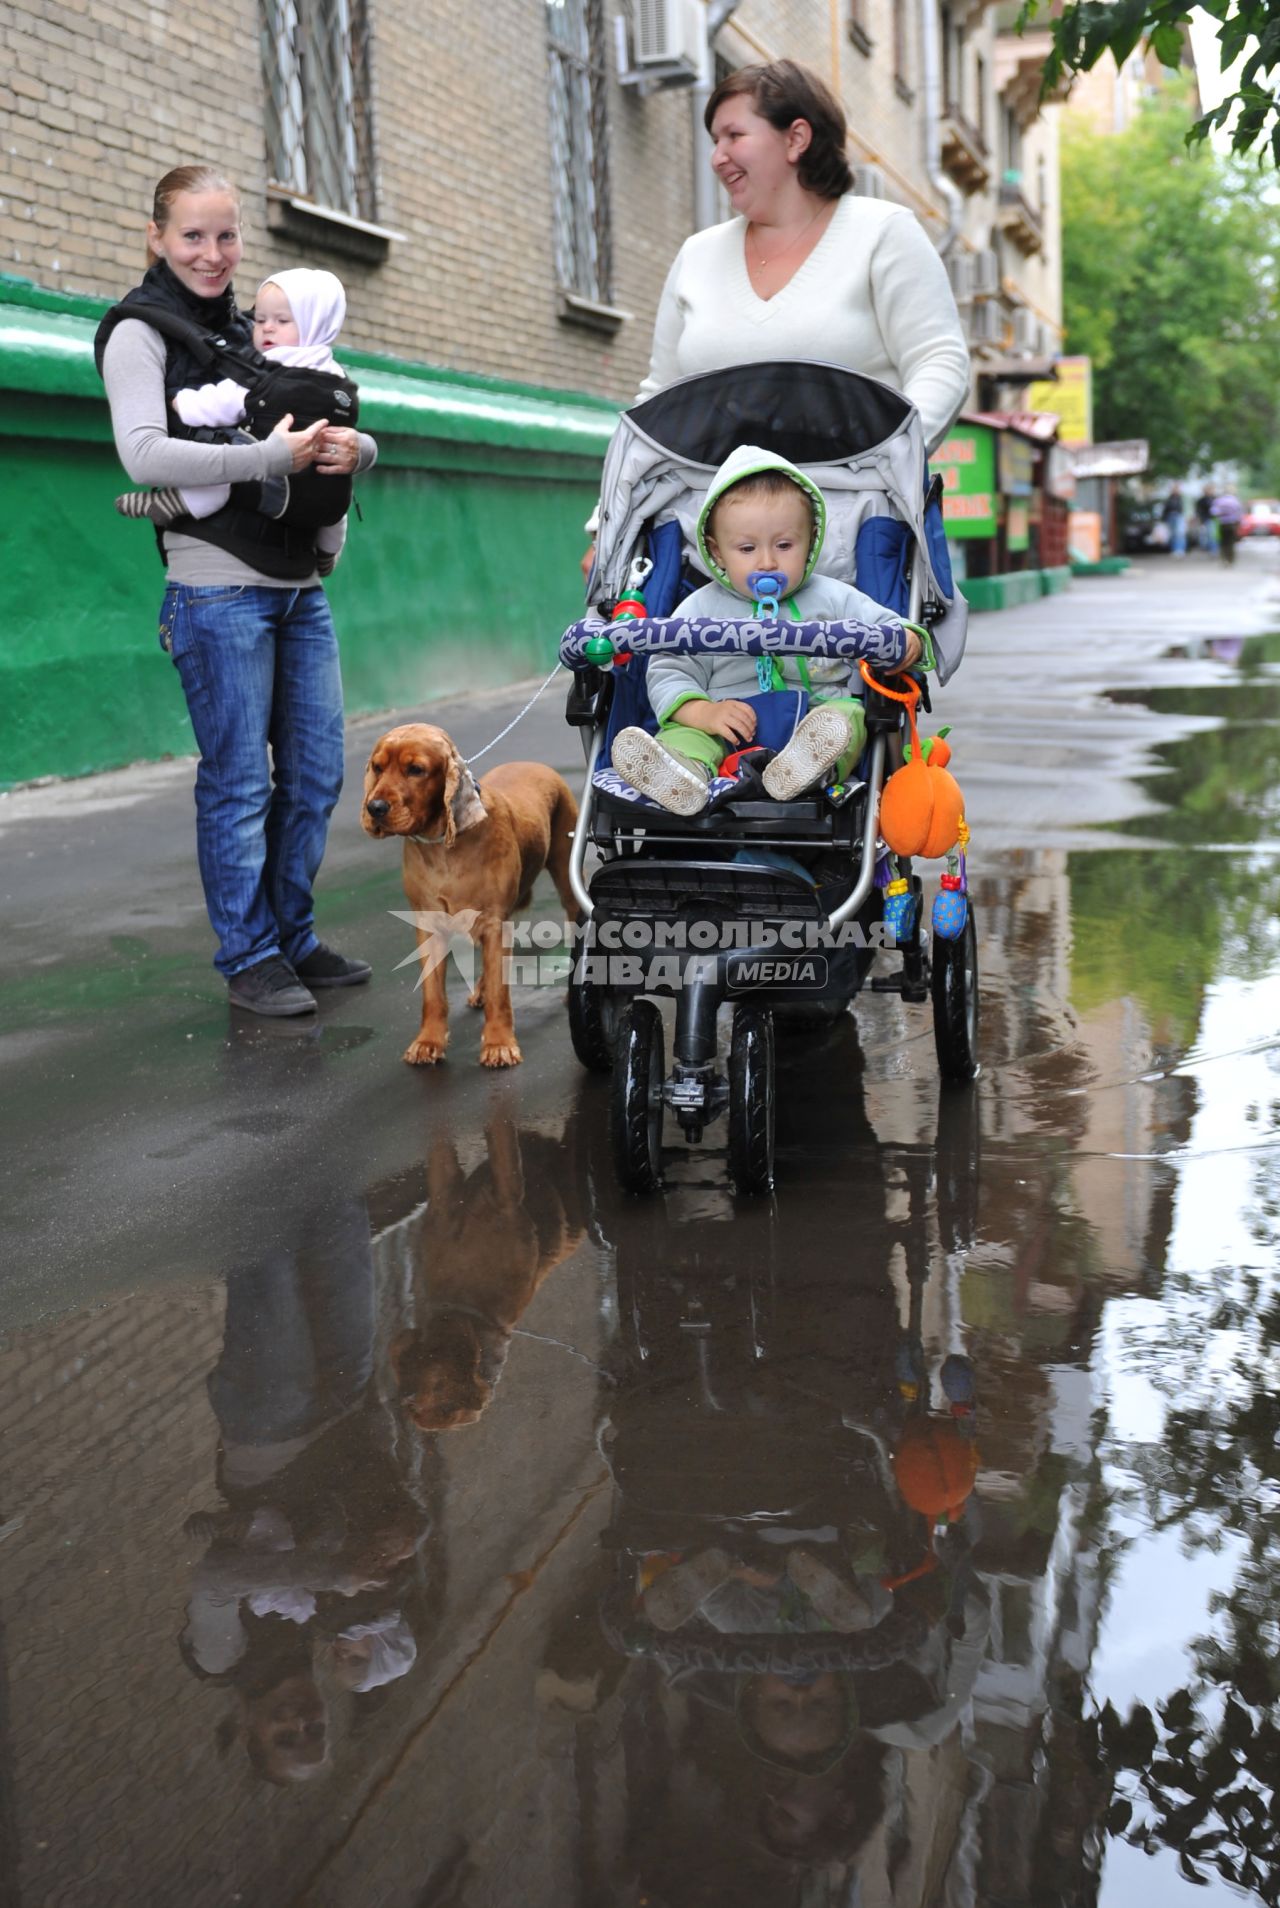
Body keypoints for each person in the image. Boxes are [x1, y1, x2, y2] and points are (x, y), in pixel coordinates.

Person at [95, 165, 376, 1017]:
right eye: (193, 236)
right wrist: (267, 460)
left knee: (319, 774)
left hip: (299, 584)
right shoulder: (137, 333)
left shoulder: (259, 329)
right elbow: (143, 455)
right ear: (156, 237)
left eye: (226, 235)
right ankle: (249, 954)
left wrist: (357, 451)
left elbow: (322, 416)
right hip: (215, 589)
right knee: (239, 782)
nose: (213, 254)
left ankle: (290, 936)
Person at [639, 60, 970, 448]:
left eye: (734, 135)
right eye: (715, 141)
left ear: (796, 138)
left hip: (859, 503)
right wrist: (612, 507)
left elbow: (940, 360)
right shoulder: (697, 254)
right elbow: (658, 400)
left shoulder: (881, 231)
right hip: (710, 505)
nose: (717, 157)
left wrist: (889, 463)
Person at [611, 447, 925, 815]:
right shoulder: (700, 608)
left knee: (849, 718)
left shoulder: (835, 598)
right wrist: (702, 712)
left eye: (784, 545)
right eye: (746, 548)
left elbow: (886, 625)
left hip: (813, 721)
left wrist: (906, 640)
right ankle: (683, 774)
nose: (767, 561)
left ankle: (810, 770)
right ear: (716, 552)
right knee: (686, 737)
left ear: (811, 541)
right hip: (724, 727)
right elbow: (670, 669)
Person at [115, 267, 353, 578]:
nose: (267, 329)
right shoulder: (336, 376)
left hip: (270, 479)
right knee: (336, 501)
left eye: (281, 321)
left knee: (226, 470)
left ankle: (173, 502)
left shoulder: (266, 372)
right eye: (261, 319)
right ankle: (327, 553)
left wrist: (179, 402)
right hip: (318, 484)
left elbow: (221, 402)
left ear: (313, 323)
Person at [1212, 486, 1244, 564]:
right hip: (1232, 523)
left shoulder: (1219, 500)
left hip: (1222, 523)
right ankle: (1231, 560)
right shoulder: (1235, 501)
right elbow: (1239, 513)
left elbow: (1214, 512)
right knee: (1231, 542)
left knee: (1223, 542)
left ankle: (1223, 559)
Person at [1162, 483, 1187, 557]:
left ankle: (1180, 550)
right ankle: (1174, 550)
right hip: (1170, 516)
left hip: (1179, 516)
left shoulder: (1182, 498)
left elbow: (1186, 508)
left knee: (1179, 533)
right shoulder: (1169, 498)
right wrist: (1164, 519)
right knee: (1172, 534)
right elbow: (1165, 509)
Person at [1195, 481, 1216, 554]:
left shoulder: (1215, 498)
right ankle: (1211, 549)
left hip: (1214, 519)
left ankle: (1213, 549)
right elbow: (1199, 511)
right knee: (1209, 534)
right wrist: (1200, 519)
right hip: (1206, 519)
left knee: (1213, 535)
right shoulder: (1202, 500)